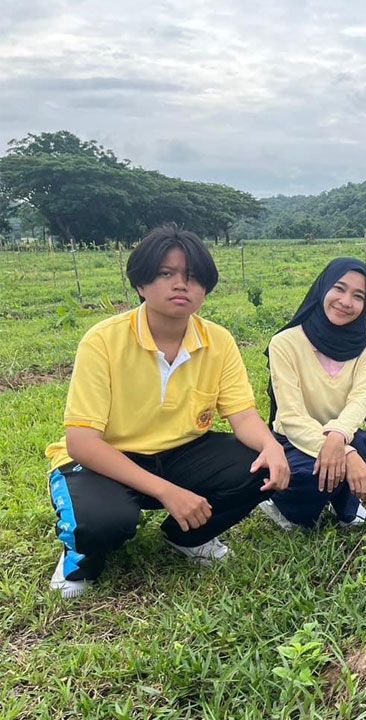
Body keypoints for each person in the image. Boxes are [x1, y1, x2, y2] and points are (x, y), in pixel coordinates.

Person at [45, 225, 290, 599]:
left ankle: (189, 537)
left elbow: (242, 416)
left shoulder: (218, 340)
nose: (181, 285)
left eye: (193, 277)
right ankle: (80, 555)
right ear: (141, 284)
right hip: (106, 459)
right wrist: (168, 492)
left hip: (180, 452)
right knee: (105, 523)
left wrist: (271, 447)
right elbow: (81, 441)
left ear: (205, 289)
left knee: (259, 465)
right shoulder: (104, 340)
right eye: (166, 274)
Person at [258, 258, 366, 531]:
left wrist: (338, 439)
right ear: (323, 288)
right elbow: (290, 416)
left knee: (360, 443)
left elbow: (361, 398)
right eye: (339, 288)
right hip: (293, 440)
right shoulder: (286, 343)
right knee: (310, 476)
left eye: (358, 296)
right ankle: (283, 507)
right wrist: (345, 453)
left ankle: (346, 506)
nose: (346, 301)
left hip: (342, 435)